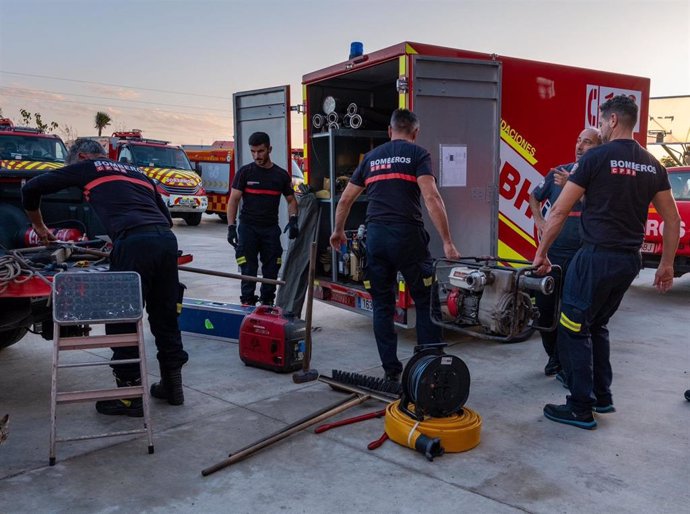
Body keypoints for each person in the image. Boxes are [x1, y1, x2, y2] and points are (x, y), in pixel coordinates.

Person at [533, 95, 681, 430]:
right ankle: (602, 395)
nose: (600, 127)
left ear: (613, 120)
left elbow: (558, 211)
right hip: (629, 261)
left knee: (572, 327)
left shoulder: (596, 158)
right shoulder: (652, 164)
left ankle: (580, 407)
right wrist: (667, 264)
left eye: (601, 122)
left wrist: (542, 252)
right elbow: (672, 220)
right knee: (596, 325)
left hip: (595, 257)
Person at [21, 138, 189, 417]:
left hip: (135, 243)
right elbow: (166, 218)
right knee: (165, 315)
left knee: (122, 319)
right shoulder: (137, 172)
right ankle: (173, 386)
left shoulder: (88, 166)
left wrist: (39, 227)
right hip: (165, 241)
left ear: (83, 156)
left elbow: (32, 187)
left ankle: (128, 397)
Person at [329, 109, 461, 382]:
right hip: (407, 237)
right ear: (415, 132)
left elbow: (345, 200)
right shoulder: (418, 154)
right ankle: (429, 370)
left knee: (382, 306)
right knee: (425, 301)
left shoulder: (371, 158)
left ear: (390, 131)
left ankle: (391, 372)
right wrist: (447, 242)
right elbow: (432, 197)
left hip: (376, 237)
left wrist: (338, 231)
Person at [528, 127, 602, 377]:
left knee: (574, 314)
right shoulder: (558, 172)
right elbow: (534, 196)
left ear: (599, 147)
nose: (580, 146)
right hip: (553, 255)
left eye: (588, 142)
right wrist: (539, 221)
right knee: (544, 310)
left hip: (583, 257)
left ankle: (567, 363)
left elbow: (600, 209)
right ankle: (554, 356)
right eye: (578, 140)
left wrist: (574, 187)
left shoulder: (600, 179)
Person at [226, 132, 298, 306]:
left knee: (272, 268)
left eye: (261, 151)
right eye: (253, 152)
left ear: (269, 149)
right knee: (248, 268)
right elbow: (233, 200)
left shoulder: (280, 175)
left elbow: (291, 200)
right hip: (248, 228)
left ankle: (267, 303)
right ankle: (248, 303)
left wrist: (293, 219)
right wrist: (231, 227)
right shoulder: (245, 173)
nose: (257, 156)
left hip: (270, 229)